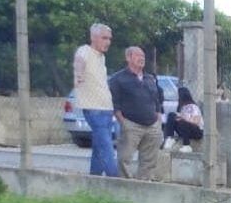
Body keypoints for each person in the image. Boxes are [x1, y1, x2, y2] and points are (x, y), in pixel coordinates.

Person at [108, 46, 165, 180]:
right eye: (138, 55)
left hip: (152, 125)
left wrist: (158, 117)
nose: (142, 58)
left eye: (143, 56)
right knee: (125, 158)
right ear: (128, 58)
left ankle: (143, 185)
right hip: (131, 124)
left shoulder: (149, 78)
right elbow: (115, 103)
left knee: (149, 159)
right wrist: (123, 122)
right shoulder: (118, 79)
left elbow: (156, 99)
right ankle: (126, 186)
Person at [74, 24, 119, 176]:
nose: (108, 42)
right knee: (107, 148)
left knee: (99, 148)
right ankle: (118, 184)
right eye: (104, 38)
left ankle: (94, 182)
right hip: (94, 110)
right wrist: (79, 74)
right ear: (93, 37)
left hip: (106, 110)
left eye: (109, 39)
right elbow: (80, 61)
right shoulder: (85, 50)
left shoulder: (101, 57)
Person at [165, 86, 205, 152]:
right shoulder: (181, 107)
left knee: (183, 122)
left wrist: (184, 118)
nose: (176, 97)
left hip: (197, 132)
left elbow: (196, 122)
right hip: (185, 130)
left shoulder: (193, 106)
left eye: (177, 95)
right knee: (171, 115)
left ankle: (187, 146)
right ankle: (170, 138)